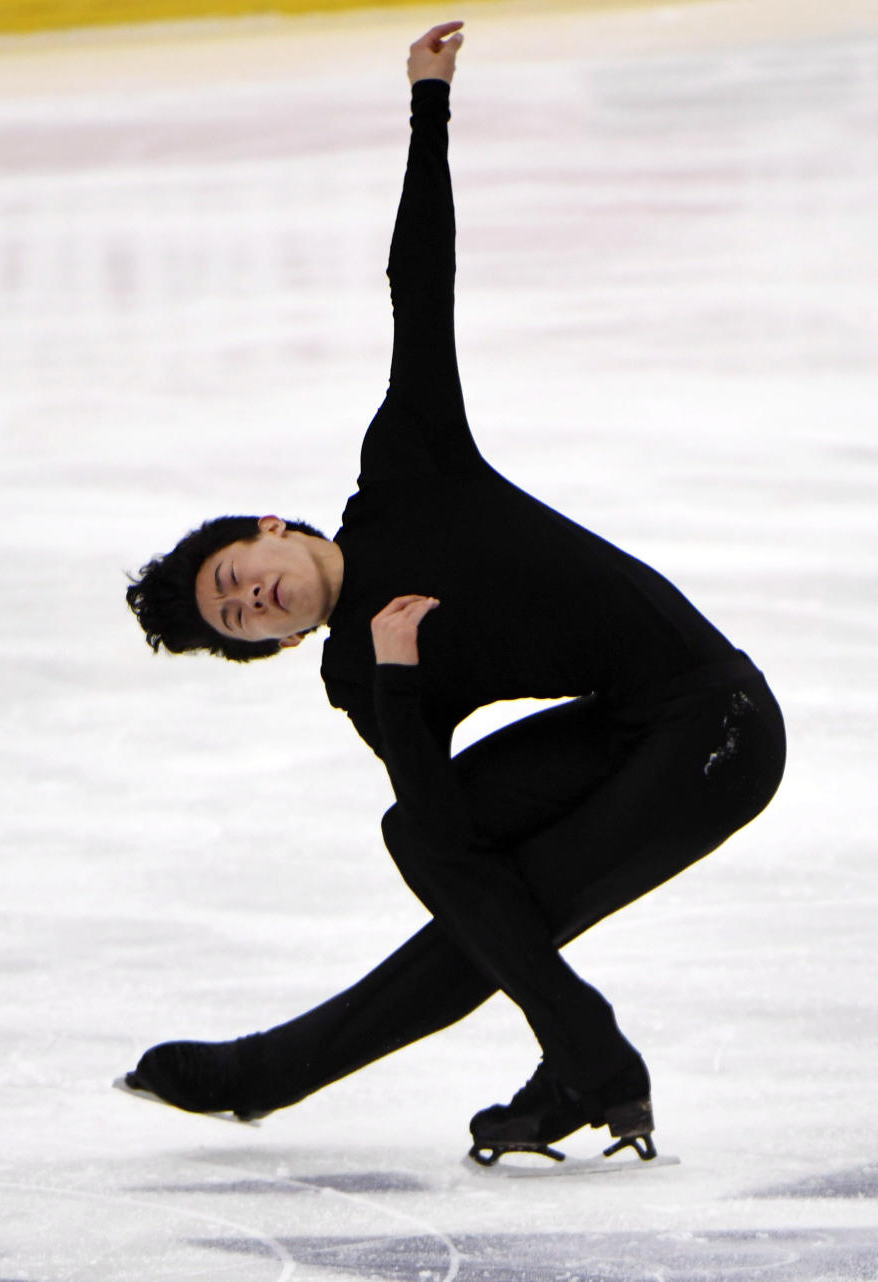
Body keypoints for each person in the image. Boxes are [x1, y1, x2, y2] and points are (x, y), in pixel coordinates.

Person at [120, 21, 786, 1165]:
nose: (253, 598)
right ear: (269, 648)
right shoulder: (352, 672)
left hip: (715, 724)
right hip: (624, 732)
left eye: (238, 576)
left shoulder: (407, 465)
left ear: (272, 525)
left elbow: (418, 283)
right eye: (241, 620)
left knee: (489, 917)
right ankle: (575, 1058)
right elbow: (436, 833)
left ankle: (495, 1061)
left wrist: (428, 110)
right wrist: (393, 671)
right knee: (446, 860)